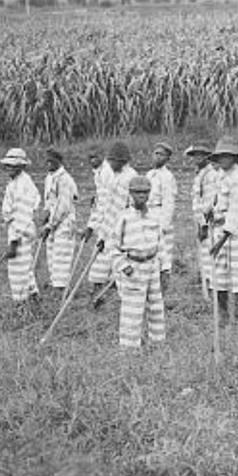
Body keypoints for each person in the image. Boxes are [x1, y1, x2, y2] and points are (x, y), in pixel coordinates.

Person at [109, 175, 166, 348]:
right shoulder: (124, 217)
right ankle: (129, 349)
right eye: (138, 193)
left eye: (145, 193)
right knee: (132, 311)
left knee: (156, 308)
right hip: (133, 268)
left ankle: (157, 344)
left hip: (152, 266)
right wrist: (124, 266)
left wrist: (165, 269)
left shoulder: (155, 216)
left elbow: (161, 243)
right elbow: (113, 247)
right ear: (131, 194)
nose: (142, 196)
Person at [207, 137, 238, 323]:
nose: (224, 159)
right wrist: (209, 211)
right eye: (221, 156)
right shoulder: (219, 175)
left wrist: (222, 239)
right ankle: (223, 314)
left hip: (236, 231)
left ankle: (237, 318)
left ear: (235, 157)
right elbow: (215, 200)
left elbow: (236, 210)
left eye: (228, 156)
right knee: (219, 274)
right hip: (218, 228)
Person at [83, 141, 135, 298]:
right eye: (109, 160)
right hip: (110, 225)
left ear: (122, 161)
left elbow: (120, 210)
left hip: (122, 227)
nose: (109, 164)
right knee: (102, 257)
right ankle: (99, 290)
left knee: (119, 260)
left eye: (112, 161)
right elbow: (108, 206)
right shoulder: (115, 176)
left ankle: (118, 294)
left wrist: (106, 236)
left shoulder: (129, 178)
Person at [0, 148, 41, 305]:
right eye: (7, 165)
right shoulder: (16, 182)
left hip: (21, 232)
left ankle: (21, 305)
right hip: (20, 230)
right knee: (26, 268)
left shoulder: (23, 185)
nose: (8, 168)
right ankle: (34, 299)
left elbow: (22, 215)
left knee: (18, 270)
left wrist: (14, 242)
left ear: (21, 167)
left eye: (12, 166)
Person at [39, 149, 79, 292]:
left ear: (59, 161)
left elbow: (63, 206)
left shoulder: (65, 179)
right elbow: (49, 201)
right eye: (47, 160)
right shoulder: (49, 178)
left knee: (62, 254)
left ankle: (61, 288)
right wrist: (45, 216)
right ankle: (54, 283)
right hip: (52, 220)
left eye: (52, 160)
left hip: (65, 221)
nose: (48, 163)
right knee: (51, 253)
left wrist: (51, 224)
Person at [186, 144, 219, 294]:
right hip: (200, 218)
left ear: (207, 157)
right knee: (204, 254)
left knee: (209, 252)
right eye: (195, 155)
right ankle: (207, 283)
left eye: (201, 155)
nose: (197, 158)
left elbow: (209, 201)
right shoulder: (200, 174)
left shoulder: (210, 175)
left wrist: (204, 225)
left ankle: (212, 287)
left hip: (208, 221)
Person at [145, 142, 177, 277]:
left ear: (167, 159)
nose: (157, 157)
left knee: (163, 253)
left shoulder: (167, 177)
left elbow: (168, 203)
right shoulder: (150, 174)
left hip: (159, 214)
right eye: (155, 153)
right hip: (148, 213)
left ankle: (164, 281)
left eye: (161, 155)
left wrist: (163, 225)